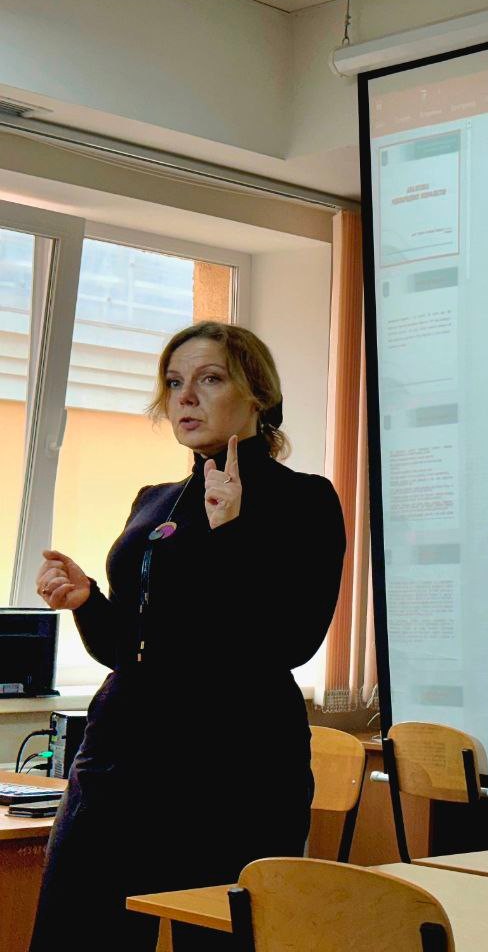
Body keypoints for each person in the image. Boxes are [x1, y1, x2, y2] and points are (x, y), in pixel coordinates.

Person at [28, 322, 346, 951]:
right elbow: (129, 649)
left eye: (210, 379)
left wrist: (233, 535)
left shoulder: (304, 500)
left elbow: (292, 640)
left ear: (257, 395)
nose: (186, 398)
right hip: (120, 755)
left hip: (235, 762)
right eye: (174, 383)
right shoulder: (156, 500)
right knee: (76, 931)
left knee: (216, 938)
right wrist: (88, 601)